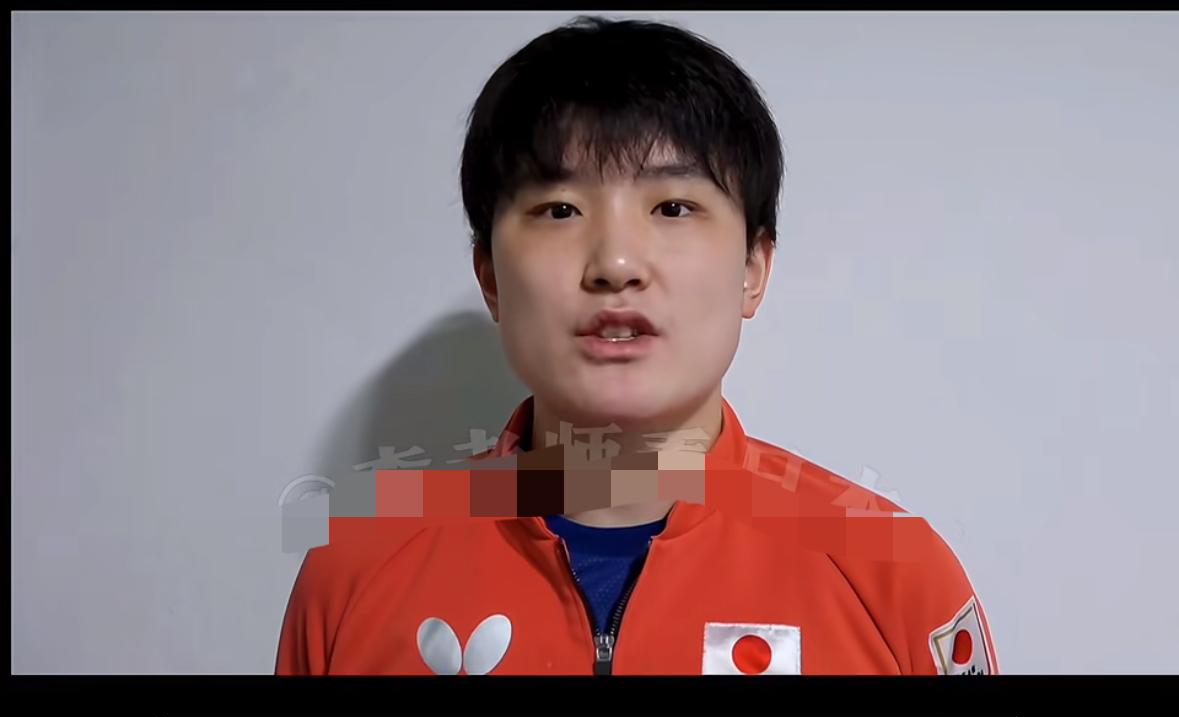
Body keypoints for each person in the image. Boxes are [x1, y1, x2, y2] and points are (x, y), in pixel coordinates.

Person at [276, 15, 999, 676]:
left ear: (753, 269)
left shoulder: (888, 570)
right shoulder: (357, 567)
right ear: (490, 277)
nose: (616, 263)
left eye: (673, 207)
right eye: (559, 209)